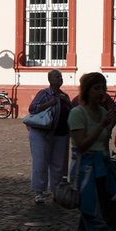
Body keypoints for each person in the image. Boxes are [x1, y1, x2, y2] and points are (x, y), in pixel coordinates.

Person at [66, 71, 116, 231]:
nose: (101, 92)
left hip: (102, 171)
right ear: (87, 91)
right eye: (96, 88)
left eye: (103, 88)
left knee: (88, 222)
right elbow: (81, 144)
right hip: (85, 173)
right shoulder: (77, 113)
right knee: (97, 221)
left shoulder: (104, 112)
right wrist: (101, 126)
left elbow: (104, 144)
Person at [25, 68, 72, 203]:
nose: (60, 79)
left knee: (58, 164)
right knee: (41, 162)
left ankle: (56, 191)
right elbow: (32, 109)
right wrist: (49, 104)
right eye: (57, 77)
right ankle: (39, 192)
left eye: (61, 77)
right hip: (42, 133)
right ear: (50, 80)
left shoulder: (65, 96)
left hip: (61, 134)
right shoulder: (44, 93)